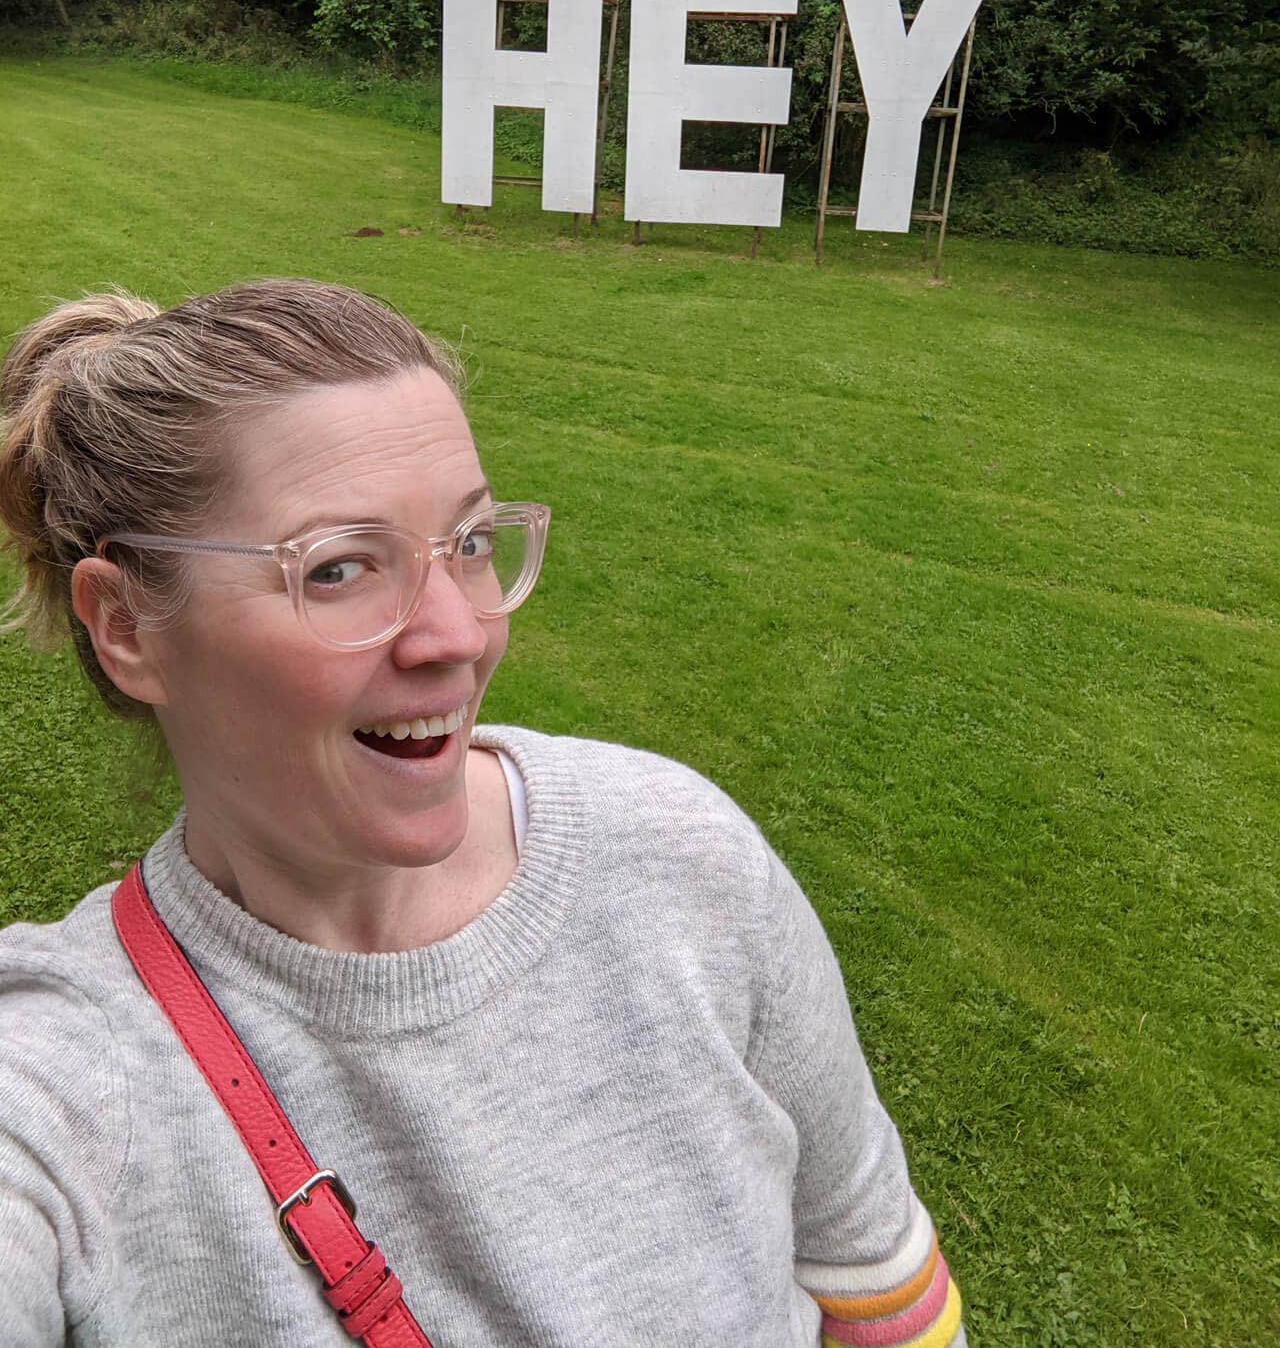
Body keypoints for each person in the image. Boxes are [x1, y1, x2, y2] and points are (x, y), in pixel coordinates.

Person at [0, 277, 967, 1348]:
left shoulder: (677, 856)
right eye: (338, 569)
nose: (457, 633)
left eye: (466, 543)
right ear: (128, 625)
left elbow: (874, 1279)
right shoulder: (65, 1084)